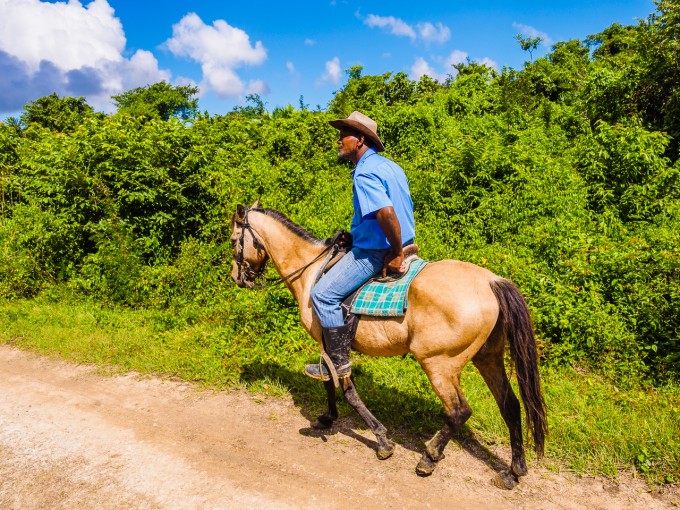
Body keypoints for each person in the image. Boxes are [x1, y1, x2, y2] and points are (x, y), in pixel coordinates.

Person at [305, 111, 416, 382]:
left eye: (345, 135)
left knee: (323, 294)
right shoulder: (391, 166)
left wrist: (396, 252)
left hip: (377, 252)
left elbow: (387, 213)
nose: (339, 140)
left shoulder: (365, 172)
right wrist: (355, 237)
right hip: (403, 241)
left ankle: (337, 363)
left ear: (361, 139)